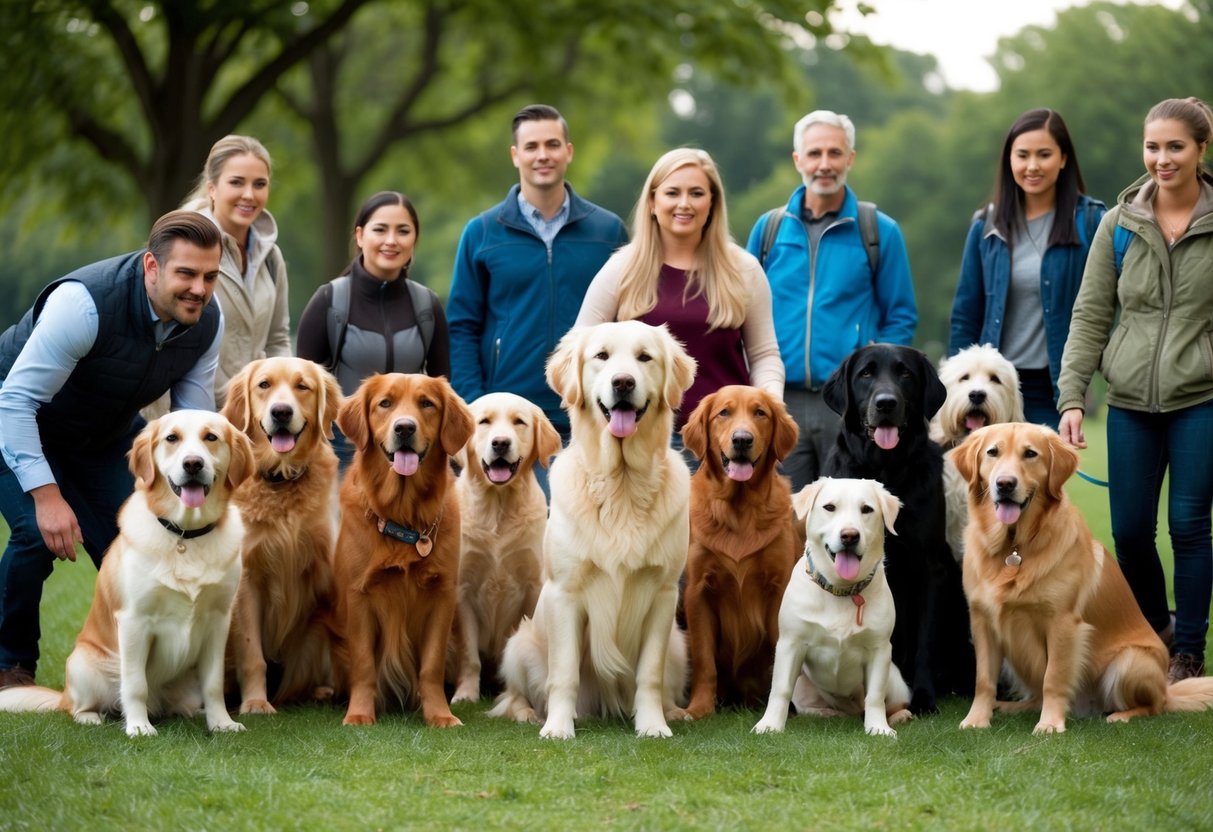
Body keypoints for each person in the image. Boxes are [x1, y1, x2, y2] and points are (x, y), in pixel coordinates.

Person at [0, 211, 224, 688]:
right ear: (151, 267)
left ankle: (154, 672)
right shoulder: (83, 306)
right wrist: (47, 496)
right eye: (186, 273)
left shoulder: (207, 322)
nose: (199, 290)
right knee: (36, 535)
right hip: (16, 419)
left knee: (149, 539)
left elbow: (192, 422)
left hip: (102, 436)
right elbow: (16, 401)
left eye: (210, 276)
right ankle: (9, 665)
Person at [1058, 96, 1213, 683]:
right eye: (1153, 146)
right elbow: (1090, 315)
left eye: (1176, 146)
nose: (1162, 158)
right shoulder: (1118, 224)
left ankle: (1189, 650)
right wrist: (1074, 397)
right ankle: (1154, 629)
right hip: (1127, 404)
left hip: (1201, 399)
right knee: (1128, 530)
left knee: (1190, 526)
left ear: (1201, 150)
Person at [446, 103, 628, 491]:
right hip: (510, 426)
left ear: (568, 151)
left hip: (591, 418)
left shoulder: (607, 230)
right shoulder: (481, 233)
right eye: (531, 147)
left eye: (552, 144)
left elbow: (628, 321)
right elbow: (461, 327)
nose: (542, 155)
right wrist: (478, 406)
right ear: (516, 156)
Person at [747, 110, 917, 491]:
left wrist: (875, 364)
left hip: (849, 405)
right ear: (798, 160)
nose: (825, 164)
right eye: (815, 154)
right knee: (787, 519)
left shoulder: (878, 230)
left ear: (850, 158)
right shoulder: (769, 229)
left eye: (835, 153)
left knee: (847, 518)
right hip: (780, 400)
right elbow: (742, 308)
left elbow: (901, 314)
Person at [575, 147, 783, 453]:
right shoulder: (622, 268)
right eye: (672, 193)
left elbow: (764, 355)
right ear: (652, 202)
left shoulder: (744, 269)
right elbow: (580, 349)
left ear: (712, 202)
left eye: (696, 193)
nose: (684, 204)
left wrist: (770, 404)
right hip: (641, 444)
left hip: (724, 444)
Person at [949, 108, 1106, 428]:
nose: (1032, 166)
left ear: (1063, 159)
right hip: (994, 388)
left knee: (1043, 479)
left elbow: (1108, 306)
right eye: (1022, 155)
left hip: (1056, 388)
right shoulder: (986, 226)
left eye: (1044, 154)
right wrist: (956, 386)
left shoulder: (1091, 221)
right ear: (1009, 160)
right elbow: (966, 315)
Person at [296, 191, 449, 469]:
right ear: (360, 235)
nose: (391, 241)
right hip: (344, 453)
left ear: (414, 240)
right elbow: (302, 392)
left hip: (413, 452)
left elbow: (445, 388)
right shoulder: (329, 301)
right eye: (380, 230)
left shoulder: (427, 305)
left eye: (403, 231)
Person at [145, 135, 290, 417]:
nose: (249, 194)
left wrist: (278, 403)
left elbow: (277, 338)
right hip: (193, 420)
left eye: (259, 184)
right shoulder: (179, 250)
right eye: (237, 182)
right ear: (211, 188)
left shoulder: (272, 257)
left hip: (257, 422)